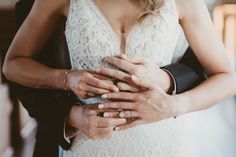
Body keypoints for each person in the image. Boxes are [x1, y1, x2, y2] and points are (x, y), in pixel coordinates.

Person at [3, 0, 236, 157]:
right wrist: (67, 79)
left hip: (160, 143)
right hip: (87, 143)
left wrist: (173, 104)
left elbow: (227, 78)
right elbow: (13, 64)